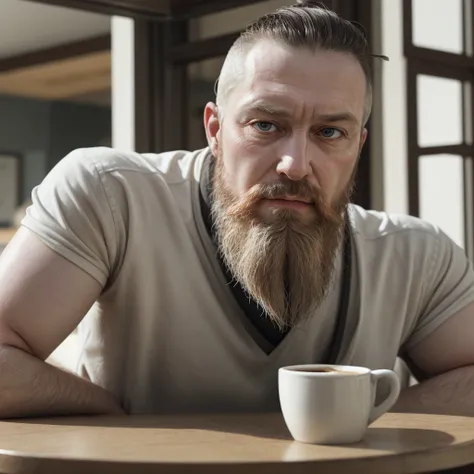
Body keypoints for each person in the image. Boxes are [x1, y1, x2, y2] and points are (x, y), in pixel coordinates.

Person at [0, 2, 473, 419]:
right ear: (214, 128)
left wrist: (372, 423)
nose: (296, 164)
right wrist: (108, 415)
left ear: (358, 144)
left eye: (330, 133)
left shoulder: (416, 257)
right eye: (266, 124)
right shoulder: (110, 195)